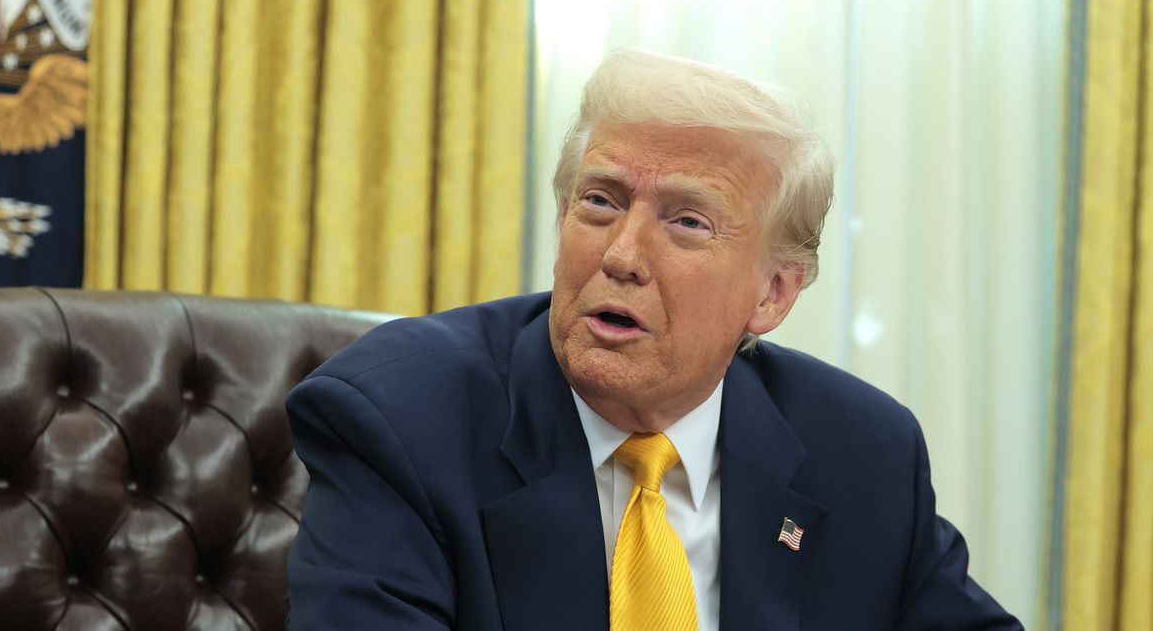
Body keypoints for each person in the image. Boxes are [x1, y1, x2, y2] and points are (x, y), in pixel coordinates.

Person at [285, 48, 1021, 630]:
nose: (621, 255)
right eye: (600, 201)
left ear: (773, 293)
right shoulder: (402, 421)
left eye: (687, 222)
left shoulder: (862, 452)